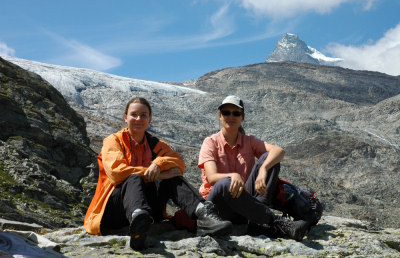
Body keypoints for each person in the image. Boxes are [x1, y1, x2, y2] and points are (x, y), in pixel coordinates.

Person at [84, 97, 232, 250]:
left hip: (149, 213)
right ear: (125, 117)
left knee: (173, 178)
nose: (138, 119)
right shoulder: (113, 141)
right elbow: (117, 173)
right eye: (134, 114)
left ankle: (203, 215)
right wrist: (160, 173)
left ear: (150, 119)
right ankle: (138, 220)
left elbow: (179, 163)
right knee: (134, 178)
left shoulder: (155, 144)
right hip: (115, 211)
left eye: (143, 115)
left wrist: (158, 164)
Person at [197, 95, 309, 241]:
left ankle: (257, 219)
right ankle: (275, 222)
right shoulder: (210, 142)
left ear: (242, 117)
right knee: (226, 183)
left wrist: (263, 169)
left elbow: (279, 151)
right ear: (220, 116)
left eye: (236, 113)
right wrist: (233, 176)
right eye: (226, 113)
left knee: (269, 159)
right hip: (218, 205)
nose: (231, 116)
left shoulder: (248, 141)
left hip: (245, 202)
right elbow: (212, 178)